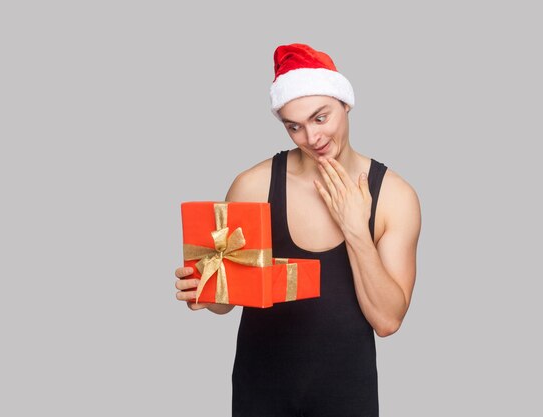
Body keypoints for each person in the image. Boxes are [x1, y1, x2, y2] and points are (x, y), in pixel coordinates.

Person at [174, 43, 421, 417]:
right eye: (295, 126)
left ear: (345, 104)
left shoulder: (394, 198)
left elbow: (387, 321)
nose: (312, 138)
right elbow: (227, 299)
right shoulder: (253, 187)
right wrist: (207, 293)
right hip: (261, 393)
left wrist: (355, 229)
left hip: (346, 398)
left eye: (321, 118)